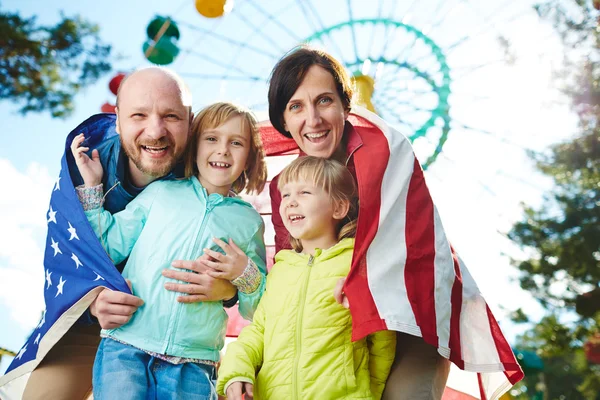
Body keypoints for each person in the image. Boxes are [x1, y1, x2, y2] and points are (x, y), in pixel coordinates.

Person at [267, 47, 523, 399]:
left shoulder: (385, 151)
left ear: (346, 105)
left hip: (413, 315)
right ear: (282, 119)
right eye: (296, 106)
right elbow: (291, 267)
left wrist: (360, 280)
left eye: (324, 100)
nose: (312, 119)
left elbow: (415, 244)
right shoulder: (286, 187)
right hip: (340, 328)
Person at [21, 68, 240, 400]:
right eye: (139, 115)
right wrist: (94, 301)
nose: (155, 131)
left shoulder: (210, 167)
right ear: (118, 119)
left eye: (171, 116)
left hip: (178, 336)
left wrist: (226, 290)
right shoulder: (84, 169)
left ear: (190, 120)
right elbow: (67, 255)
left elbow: (233, 252)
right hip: (88, 324)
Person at [72, 101, 268, 399]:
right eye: (212, 138)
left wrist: (245, 274)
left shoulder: (248, 222)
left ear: (250, 157)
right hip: (126, 345)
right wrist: (92, 186)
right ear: (195, 145)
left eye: (236, 142)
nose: (223, 150)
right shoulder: (162, 192)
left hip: (195, 360)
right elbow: (107, 247)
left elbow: (257, 309)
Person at [216, 156, 396, 400]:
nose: (290, 202)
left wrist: (369, 393)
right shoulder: (282, 269)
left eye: (304, 193)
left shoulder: (357, 265)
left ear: (339, 208)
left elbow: (381, 338)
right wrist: (236, 371)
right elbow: (258, 331)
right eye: (286, 195)